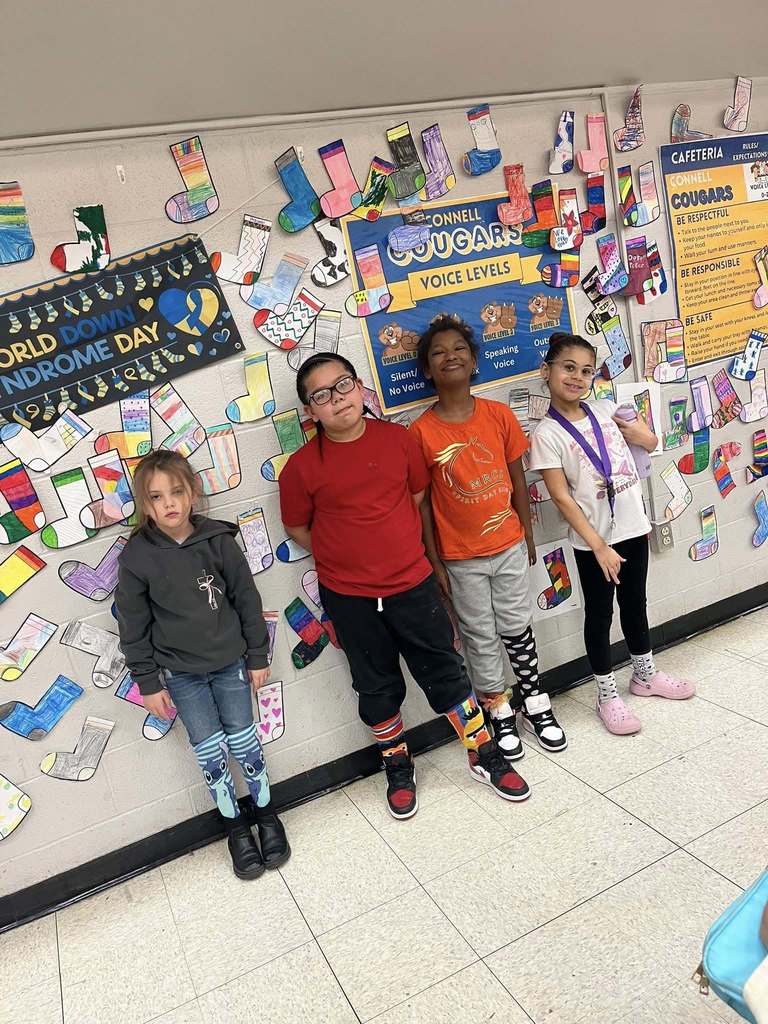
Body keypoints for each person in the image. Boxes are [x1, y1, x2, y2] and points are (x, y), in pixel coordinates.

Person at [278, 352, 530, 819]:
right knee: (374, 687)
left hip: (412, 587)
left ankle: (482, 751)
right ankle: (397, 763)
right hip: (349, 598)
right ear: (310, 411)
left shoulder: (398, 441)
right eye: (321, 395)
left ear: (359, 388)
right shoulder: (300, 468)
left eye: (344, 385)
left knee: (445, 671)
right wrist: (347, 556)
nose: (337, 399)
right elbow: (299, 528)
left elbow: (417, 499)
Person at [115, 450, 289, 879]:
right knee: (210, 753)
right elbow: (133, 627)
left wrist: (256, 655)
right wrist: (148, 682)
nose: (169, 503)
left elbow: (247, 601)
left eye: (177, 492)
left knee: (245, 743)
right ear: (145, 504)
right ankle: (235, 829)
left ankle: (266, 816)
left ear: (193, 492)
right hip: (181, 677)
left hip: (230, 665)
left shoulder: (218, 541)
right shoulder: (137, 558)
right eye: (157, 497)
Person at [410, 314, 566, 760]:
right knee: (478, 634)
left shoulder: (498, 415)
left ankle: (535, 700)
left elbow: (517, 476)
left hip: (510, 543)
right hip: (460, 557)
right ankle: (498, 709)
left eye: (459, 349)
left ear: (474, 360)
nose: (450, 356)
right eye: (438, 353)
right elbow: (422, 504)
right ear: (427, 370)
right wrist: (435, 560)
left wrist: (528, 532)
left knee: (517, 624)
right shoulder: (420, 432)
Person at [529, 331, 695, 734]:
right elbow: (562, 498)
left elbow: (651, 442)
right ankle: (606, 695)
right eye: (568, 368)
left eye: (586, 371)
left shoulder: (605, 409)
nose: (577, 377)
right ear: (546, 371)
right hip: (593, 543)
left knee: (635, 604)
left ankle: (645, 676)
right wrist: (598, 545)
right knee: (600, 615)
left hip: (634, 527)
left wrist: (639, 432)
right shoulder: (546, 435)